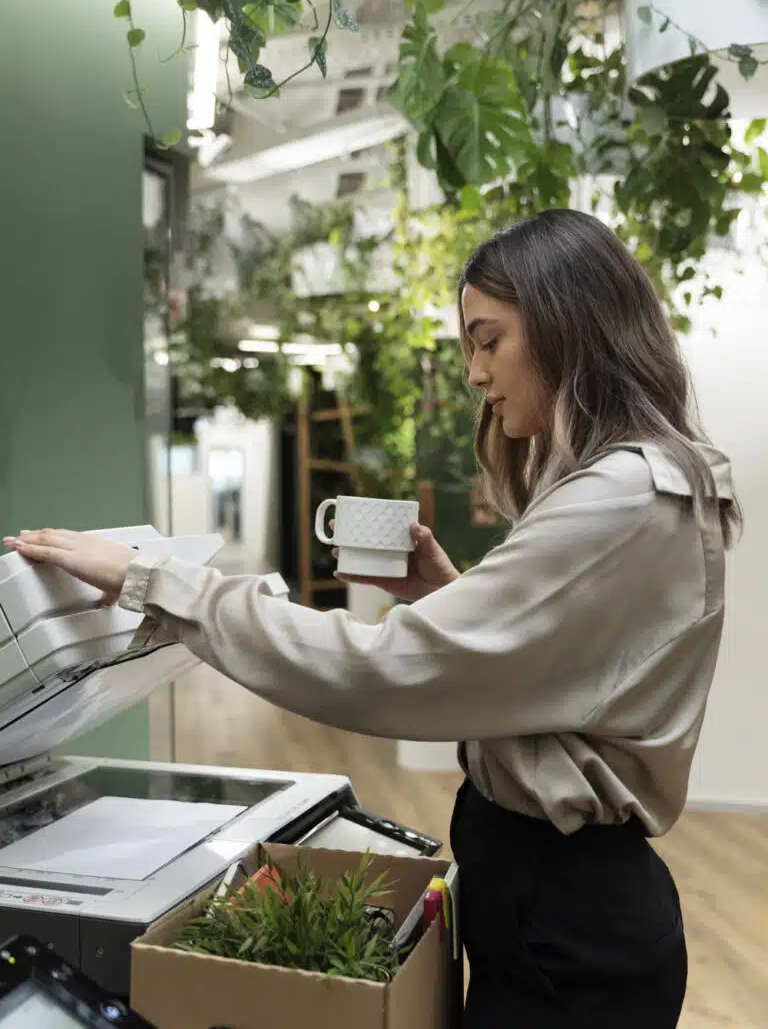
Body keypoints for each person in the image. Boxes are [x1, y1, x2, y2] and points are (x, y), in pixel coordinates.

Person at [4, 208, 739, 1029]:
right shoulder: (652, 481)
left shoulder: (620, 497)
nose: (472, 371)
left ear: (567, 322)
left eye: (488, 339)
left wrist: (162, 584)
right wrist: (449, 596)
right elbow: (578, 677)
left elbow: (376, 670)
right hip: (567, 912)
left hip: (567, 925)